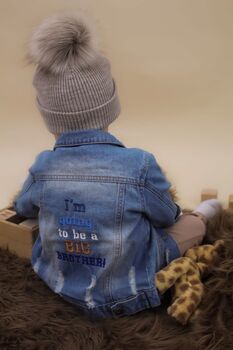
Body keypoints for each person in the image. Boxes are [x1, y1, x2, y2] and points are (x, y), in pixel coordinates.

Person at [14, 12, 222, 320]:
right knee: (191, 224)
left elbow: (23, 206)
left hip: (60, 283)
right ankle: (209, 211)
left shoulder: (43, 167)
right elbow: (166, 215)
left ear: (49, 116)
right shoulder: (138, 164)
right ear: (109, 104)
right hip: (128, 288)